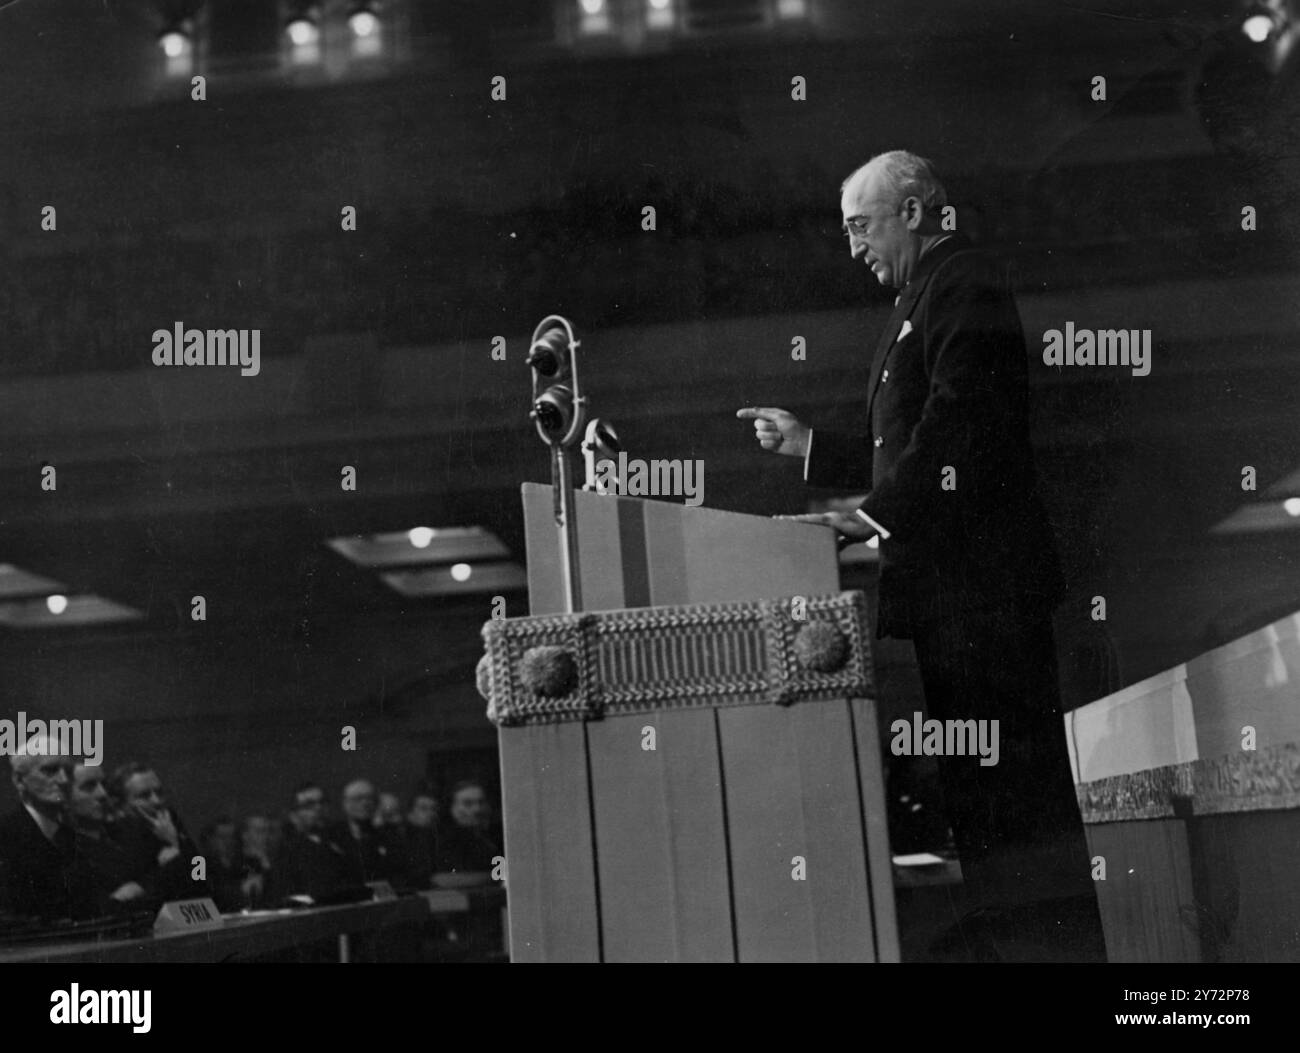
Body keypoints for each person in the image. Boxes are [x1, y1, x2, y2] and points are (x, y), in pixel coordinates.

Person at [737, 150, 1103, 957]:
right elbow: (904, 441)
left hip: (985, 598)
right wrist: (815, 449)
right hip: (960, 599)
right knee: (989, 811)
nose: (853, 245)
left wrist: (865, 519)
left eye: (861, 225)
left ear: (913, 211)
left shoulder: (962, 282)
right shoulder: (926, 295)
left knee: (1016, 814)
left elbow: (957, 427)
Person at [0, 736, 77, 922]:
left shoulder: (71, 838)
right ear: (19, 780)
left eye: (68, 771)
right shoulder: (4, 836)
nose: (64, 780)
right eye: (50, 771)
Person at [109, 762, 208, 904]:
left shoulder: (170, 821)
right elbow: (139, 893)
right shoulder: (117, 838)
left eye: (159, 793)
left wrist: (175, 843)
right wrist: (173, 860)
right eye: (144, 796)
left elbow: (202, 878)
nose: (156, 801)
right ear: (121, 805)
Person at [64, 762, 150, 919]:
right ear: (64, 796)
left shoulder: (130, 833)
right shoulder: (65, 849)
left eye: (103, 784)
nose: (103, 794)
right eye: (89, 786)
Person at [271, 782, 355, 903]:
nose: (318, 808)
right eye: (309, 805)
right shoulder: (287, 849)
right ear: (293, 814)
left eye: (322, 802)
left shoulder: (342, 841)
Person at [433, 780, 499, 886]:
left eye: (481, 802)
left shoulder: (495, 835)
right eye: (467, 803)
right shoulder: (440, 839)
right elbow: (441, 879)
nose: (477, 809)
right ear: (452, 807)